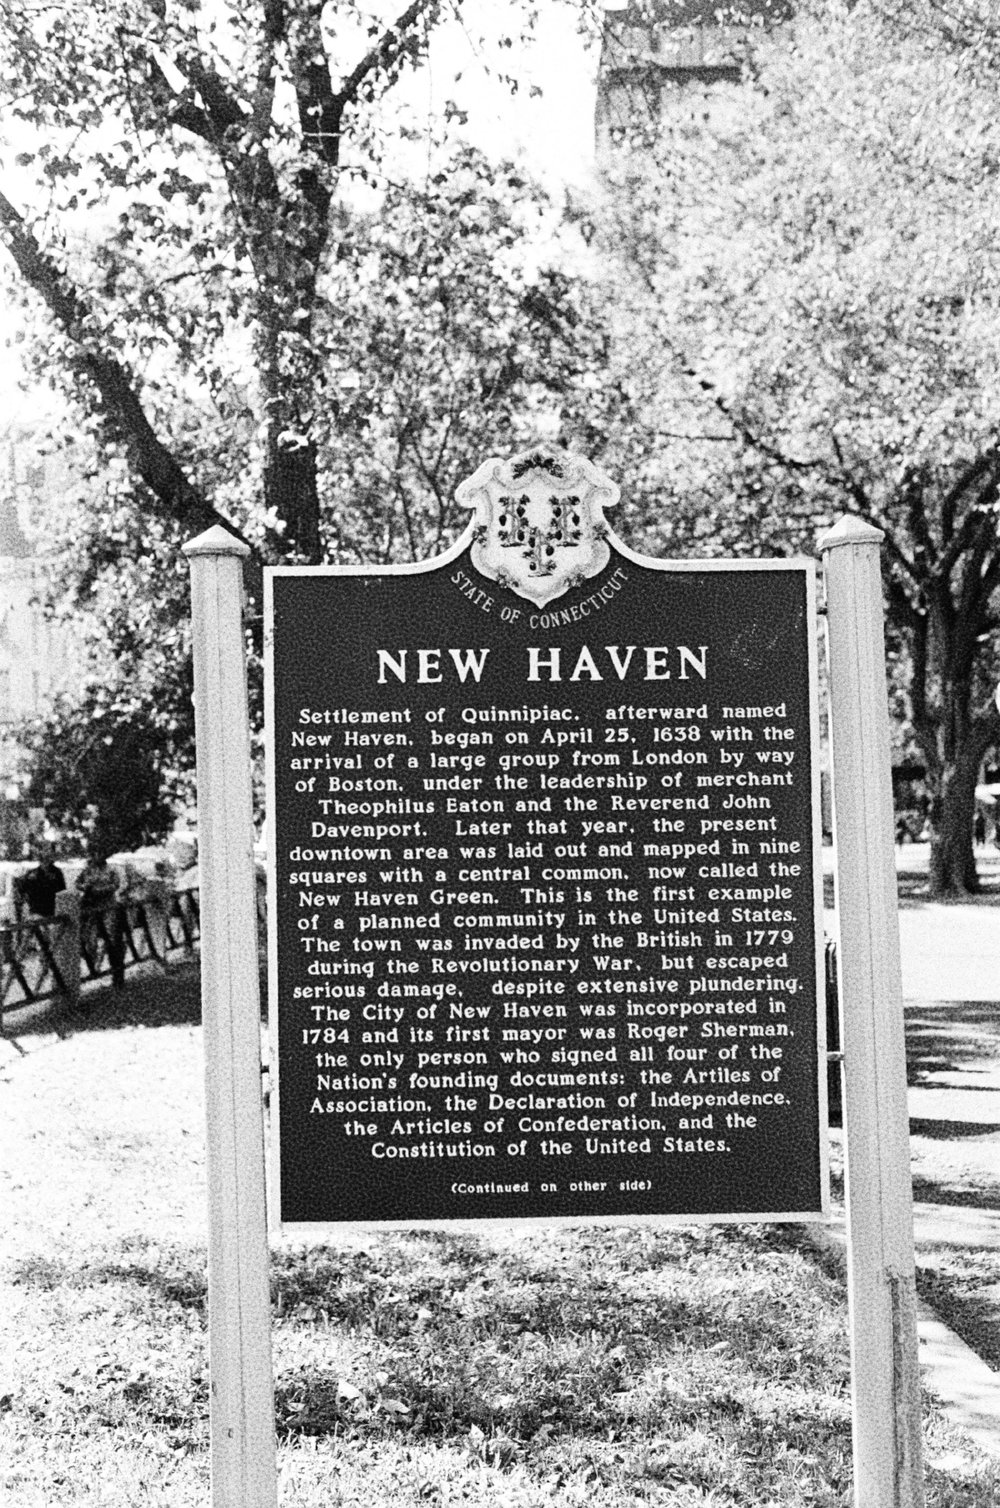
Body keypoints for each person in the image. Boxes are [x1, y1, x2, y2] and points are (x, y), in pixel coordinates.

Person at [76, 845, 125, 988]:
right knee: (90, 940)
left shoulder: (111, 870)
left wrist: (100, 890)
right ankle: (93, 969)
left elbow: (115, 885)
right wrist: (86, 887)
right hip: (92, 908)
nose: (97, 856)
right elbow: (78, 883)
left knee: (112, 940)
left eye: (100, 853)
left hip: (108, 907)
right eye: (95, 853)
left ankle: (117, 974)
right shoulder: (87, 870)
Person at [17, 846, 66, 918]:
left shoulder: (56, 872)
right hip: (35, 909)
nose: (44, 861)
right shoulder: (33, 872)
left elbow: (61, 890)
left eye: (47, 858)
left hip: (51, 908)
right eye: (42, 858)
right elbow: (22, 888)